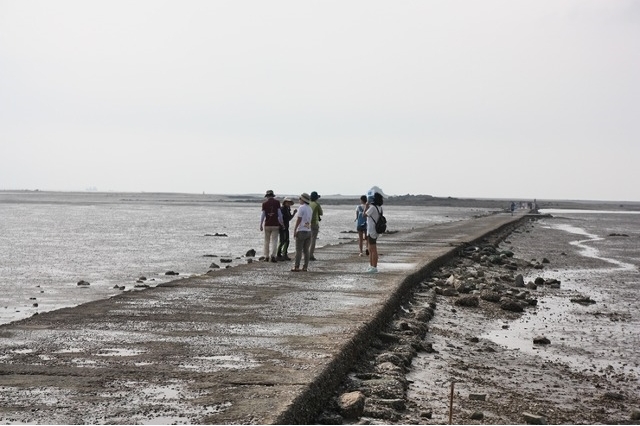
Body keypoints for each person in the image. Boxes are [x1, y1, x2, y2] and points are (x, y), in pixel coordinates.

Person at [260, 190, 284, 263]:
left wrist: (260, 224)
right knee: (274, 241)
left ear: (267, 196)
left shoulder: (264, 204)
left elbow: (263, 215)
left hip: (267, 224)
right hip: (275, 224)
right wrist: (282, 223)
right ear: (273, 195)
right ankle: (273, 255)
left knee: (266, 241)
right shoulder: (277, 203)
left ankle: (266, 256)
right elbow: (279, 215)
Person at [364, 191, 384, 273]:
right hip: (376, 230)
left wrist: (366, 206)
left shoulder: (372, 207)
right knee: (370, 249)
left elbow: (364, 215)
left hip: (371, 230)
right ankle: (372, 265)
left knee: (373, 250)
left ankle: (374, 267)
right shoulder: (380, 207)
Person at [291, 193, 313, 272]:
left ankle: (297, 266)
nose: (299, 200)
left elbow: (299, 219)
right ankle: (305, 267)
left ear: (303, 199)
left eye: (300, 198)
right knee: (306, 250)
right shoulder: (310, 208)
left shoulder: (301, 208)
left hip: (301, 230)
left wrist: (295, 229)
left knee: (299, 250)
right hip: (308, 231)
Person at [308, 191, 323, 261]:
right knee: (313, 239)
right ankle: (310, 255)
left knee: (307, 240)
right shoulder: (316, 204)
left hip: (307, 223)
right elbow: (321, 213)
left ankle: (305, 253)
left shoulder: (308, 204)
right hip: (314, 223)